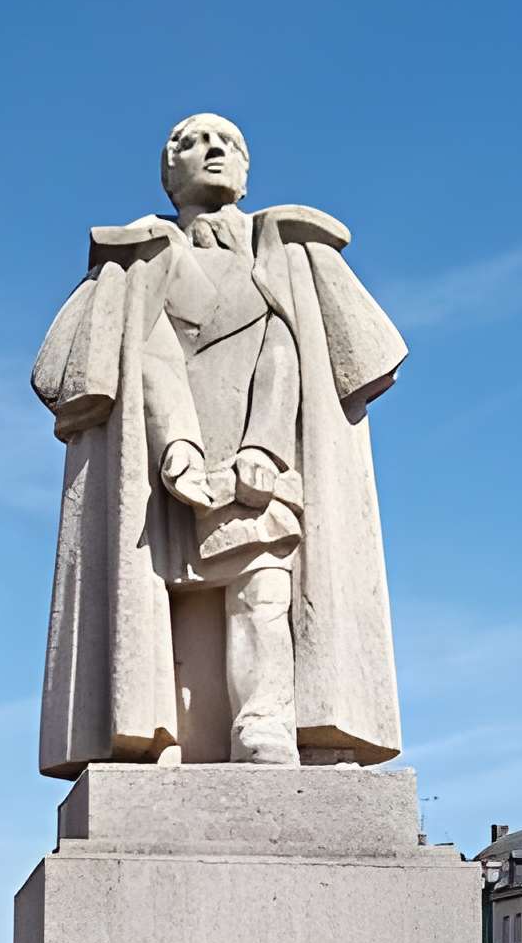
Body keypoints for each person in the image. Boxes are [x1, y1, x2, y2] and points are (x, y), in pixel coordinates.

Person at [32, 112, 407, 773]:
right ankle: (166, 733)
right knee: (170, 605)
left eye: (228, 142)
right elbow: (149, 356)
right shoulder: (141, 263)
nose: (211, 150)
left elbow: (287, 353)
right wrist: (176, 446)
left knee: (265, 590)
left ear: (246, 168)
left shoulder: (287, 258)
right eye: (190, 141)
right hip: (165, 466)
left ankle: (264, 728)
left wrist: (263, 449)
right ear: (166, 170)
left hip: (262, 460)